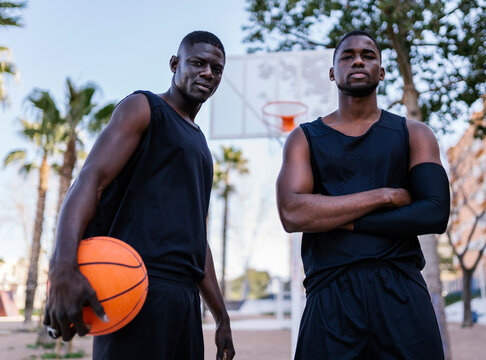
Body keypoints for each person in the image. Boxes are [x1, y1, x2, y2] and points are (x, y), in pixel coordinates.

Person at [44, 31, 235, 360]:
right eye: (198, 63)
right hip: (133, 281)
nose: (208, 73)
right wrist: (62, 267)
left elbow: (197, 237)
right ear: (174, 64)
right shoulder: (144, 107)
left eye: (216, 69)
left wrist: (220, 315)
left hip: (185, 299)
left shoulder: (201, 144)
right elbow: (91, 181)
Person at [276, 30, 450, 359]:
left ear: (381, 72)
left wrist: (339, 220)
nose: (358, 60)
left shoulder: (415, 132)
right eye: (347, 55)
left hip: (401, 291)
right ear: (332, 73)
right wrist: (384, 196)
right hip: (330, 293)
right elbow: (292, 213)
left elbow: (435, 212)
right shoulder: (304, 138)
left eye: (368, 55)